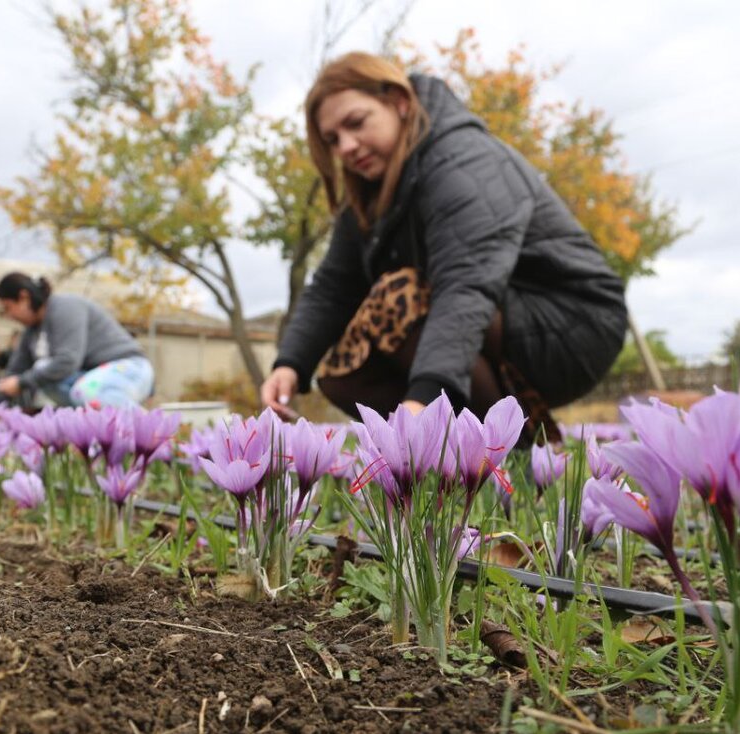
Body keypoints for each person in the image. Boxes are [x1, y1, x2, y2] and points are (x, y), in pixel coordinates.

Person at [262, 53, 628, 443]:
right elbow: (334, 285)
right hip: (490, 317)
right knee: (341, 372)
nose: (347, 146)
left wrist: (424, 396)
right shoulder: (369, 192)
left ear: (399, 102)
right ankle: (445, 461)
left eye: (356, 123)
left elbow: (466, 283)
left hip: (572, 322)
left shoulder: (462, 160)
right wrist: (291, 363)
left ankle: (507, 455)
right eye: (333, 139)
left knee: (397, 297)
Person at [0, 272, 153, 409]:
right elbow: (12, 376)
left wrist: (21, 383)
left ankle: (146, 430)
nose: (9, 316)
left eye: (8, 308)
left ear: (24, 297)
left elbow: (68, 361)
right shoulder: (32, 333)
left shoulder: (65, 308)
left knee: (82, 390)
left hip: (129, 367)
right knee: (45, 371)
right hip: (90, 379)